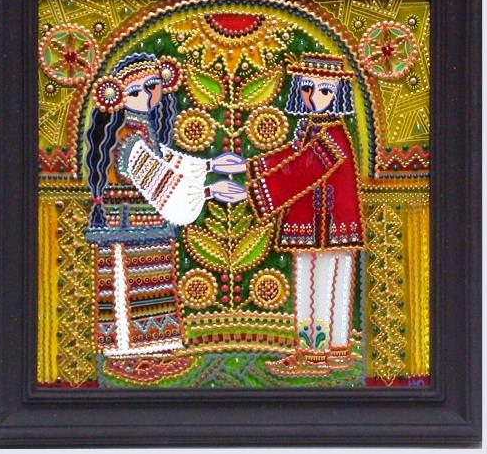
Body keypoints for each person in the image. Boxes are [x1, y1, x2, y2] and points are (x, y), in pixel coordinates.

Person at [85, 52, 245, 381]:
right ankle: (126, 356)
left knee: (151, 284)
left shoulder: (143, 131)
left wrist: (210, 166)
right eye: (135, 91)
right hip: (128, 225)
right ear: (118, 96)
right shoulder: (128, 137)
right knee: (130, 287)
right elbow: (158, 179)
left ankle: (152, 351)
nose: (145, 96)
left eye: (151, 87)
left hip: (147, 223)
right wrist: (209, 192)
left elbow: (167, 161)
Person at [244, 53, 364, 375]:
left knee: (319, 283)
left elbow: (304, 168)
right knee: (328, 283)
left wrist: (258, 191)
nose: (314, 97)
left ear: (338, 93)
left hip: (324, 224)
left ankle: (313, 355)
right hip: (321, 223)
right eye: (307, 89)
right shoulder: (313, 129)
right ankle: (335, 351)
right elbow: (293, 156)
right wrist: (253, 167)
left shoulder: (332, 135)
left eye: (324, 91)